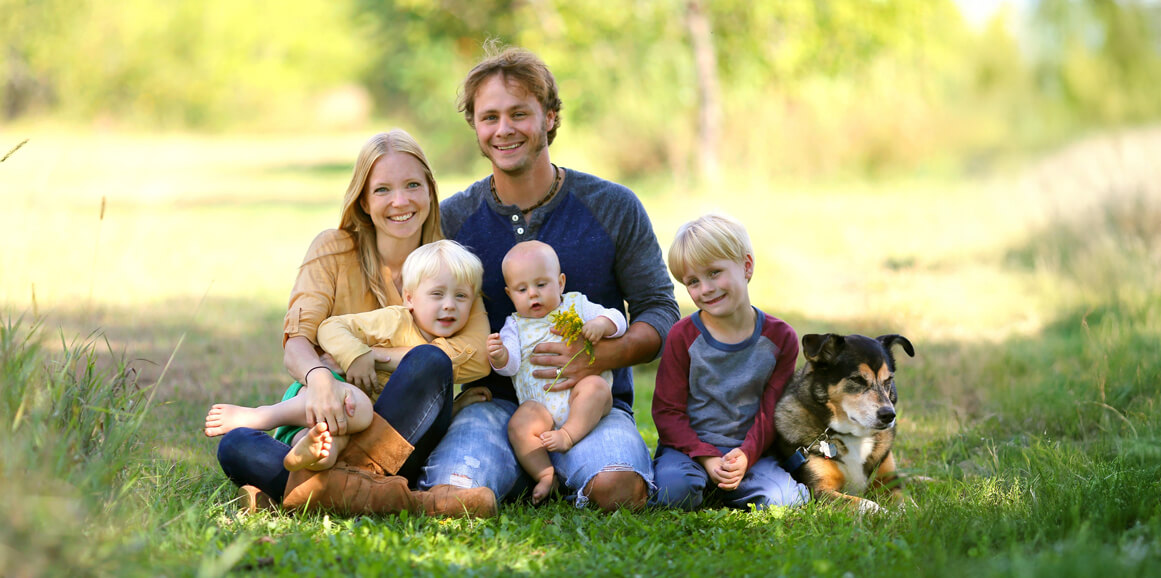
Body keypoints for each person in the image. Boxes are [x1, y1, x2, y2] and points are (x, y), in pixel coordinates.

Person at [420, 43, 680, 512]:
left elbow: (660, 309)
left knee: (619, 492)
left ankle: (560, 466)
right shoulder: (454, 220)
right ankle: (520, 467)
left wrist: (603, 354)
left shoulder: (613, 206)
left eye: (519, 113)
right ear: (475, 126)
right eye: (489, 117)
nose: (504, 129)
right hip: (493, 405)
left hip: (590, 402)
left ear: (551, 117)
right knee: (453, 495)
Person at [213, 129, 497, 518]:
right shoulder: (333, 248)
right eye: (382, 190)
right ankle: (399, 500)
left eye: (413, 185)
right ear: (363, 200)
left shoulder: (449, 265)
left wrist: (369, 356)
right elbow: (298, 340)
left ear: (430, 191)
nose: (400, 201)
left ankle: (304, 491)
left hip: (405, 432)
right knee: (236, 444)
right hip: (334, 416)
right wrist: (320, 378)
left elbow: (477, 356)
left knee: (430, 362)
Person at [204, 240, 484, 475]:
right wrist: (357, 354)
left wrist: (454, 408)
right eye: (437, 294)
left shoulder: (444, 345)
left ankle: (310, 468)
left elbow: (415, 413)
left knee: (330, 446)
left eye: (461, 296)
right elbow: (331, 326)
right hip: (322, 397)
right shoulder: (393, 321)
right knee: (358, 407)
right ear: (409, 298)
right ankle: (262, 416)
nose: (449, 305)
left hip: (343, 428)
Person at [651, 213, 810, 510]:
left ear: (746, 266)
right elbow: (667, 412)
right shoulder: (682, 336)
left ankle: (726, 485)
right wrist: (707, 457)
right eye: (693, 282)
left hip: (752, 451)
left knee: (788, 501)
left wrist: (747, 454)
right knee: (674, 492)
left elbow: (772, 411)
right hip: (689, 451)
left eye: (714, 273)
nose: (706, 289)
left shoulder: (780, 338)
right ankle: (705, 482)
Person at [487, 240, 626, 504]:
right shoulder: (514, 325)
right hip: (541, 408)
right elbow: (511, 366)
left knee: (595, 386)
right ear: (509, 294)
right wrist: (500, 355)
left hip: (582, 398)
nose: (533, 295)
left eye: (541, 285)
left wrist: (601, 324)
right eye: (522, 289)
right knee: (519, 423)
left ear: (561, 282)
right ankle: (545, 473)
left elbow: (619, 320)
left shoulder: (576, 305)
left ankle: (569, 435)